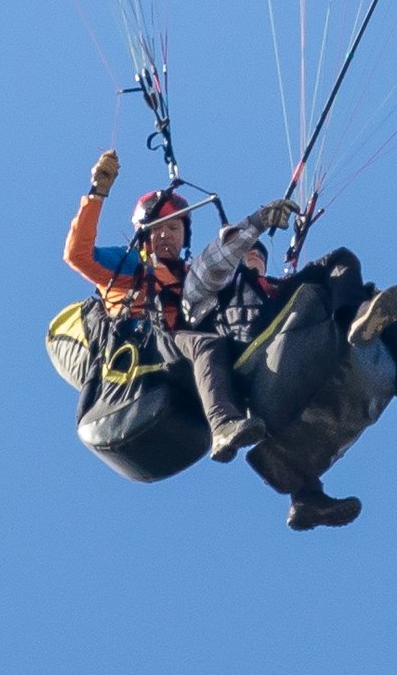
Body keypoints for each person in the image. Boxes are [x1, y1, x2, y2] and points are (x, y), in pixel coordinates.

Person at [180, 199, 397, 531]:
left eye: (261, 255)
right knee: (327, 276)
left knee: (346, 268)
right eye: (249, 253)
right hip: (258, 364)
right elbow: (213, 264)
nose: (255, 257)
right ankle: (357, 319)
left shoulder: (278, 290)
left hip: (293, 357)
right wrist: (256, 225)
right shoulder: (206, 297)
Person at [63, 148, 269, 463]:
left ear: (184, 236)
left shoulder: (189, 278)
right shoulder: (129, 264)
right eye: (157, 228)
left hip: (176, 354)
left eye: (173, 228)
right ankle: (223, 426)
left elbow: (228, 293)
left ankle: (303, 487)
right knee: (205, 345)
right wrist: (98, 193)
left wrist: (252, 270)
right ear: (143, 236)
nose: (165, 235)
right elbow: (79, 255)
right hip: (141, 351)